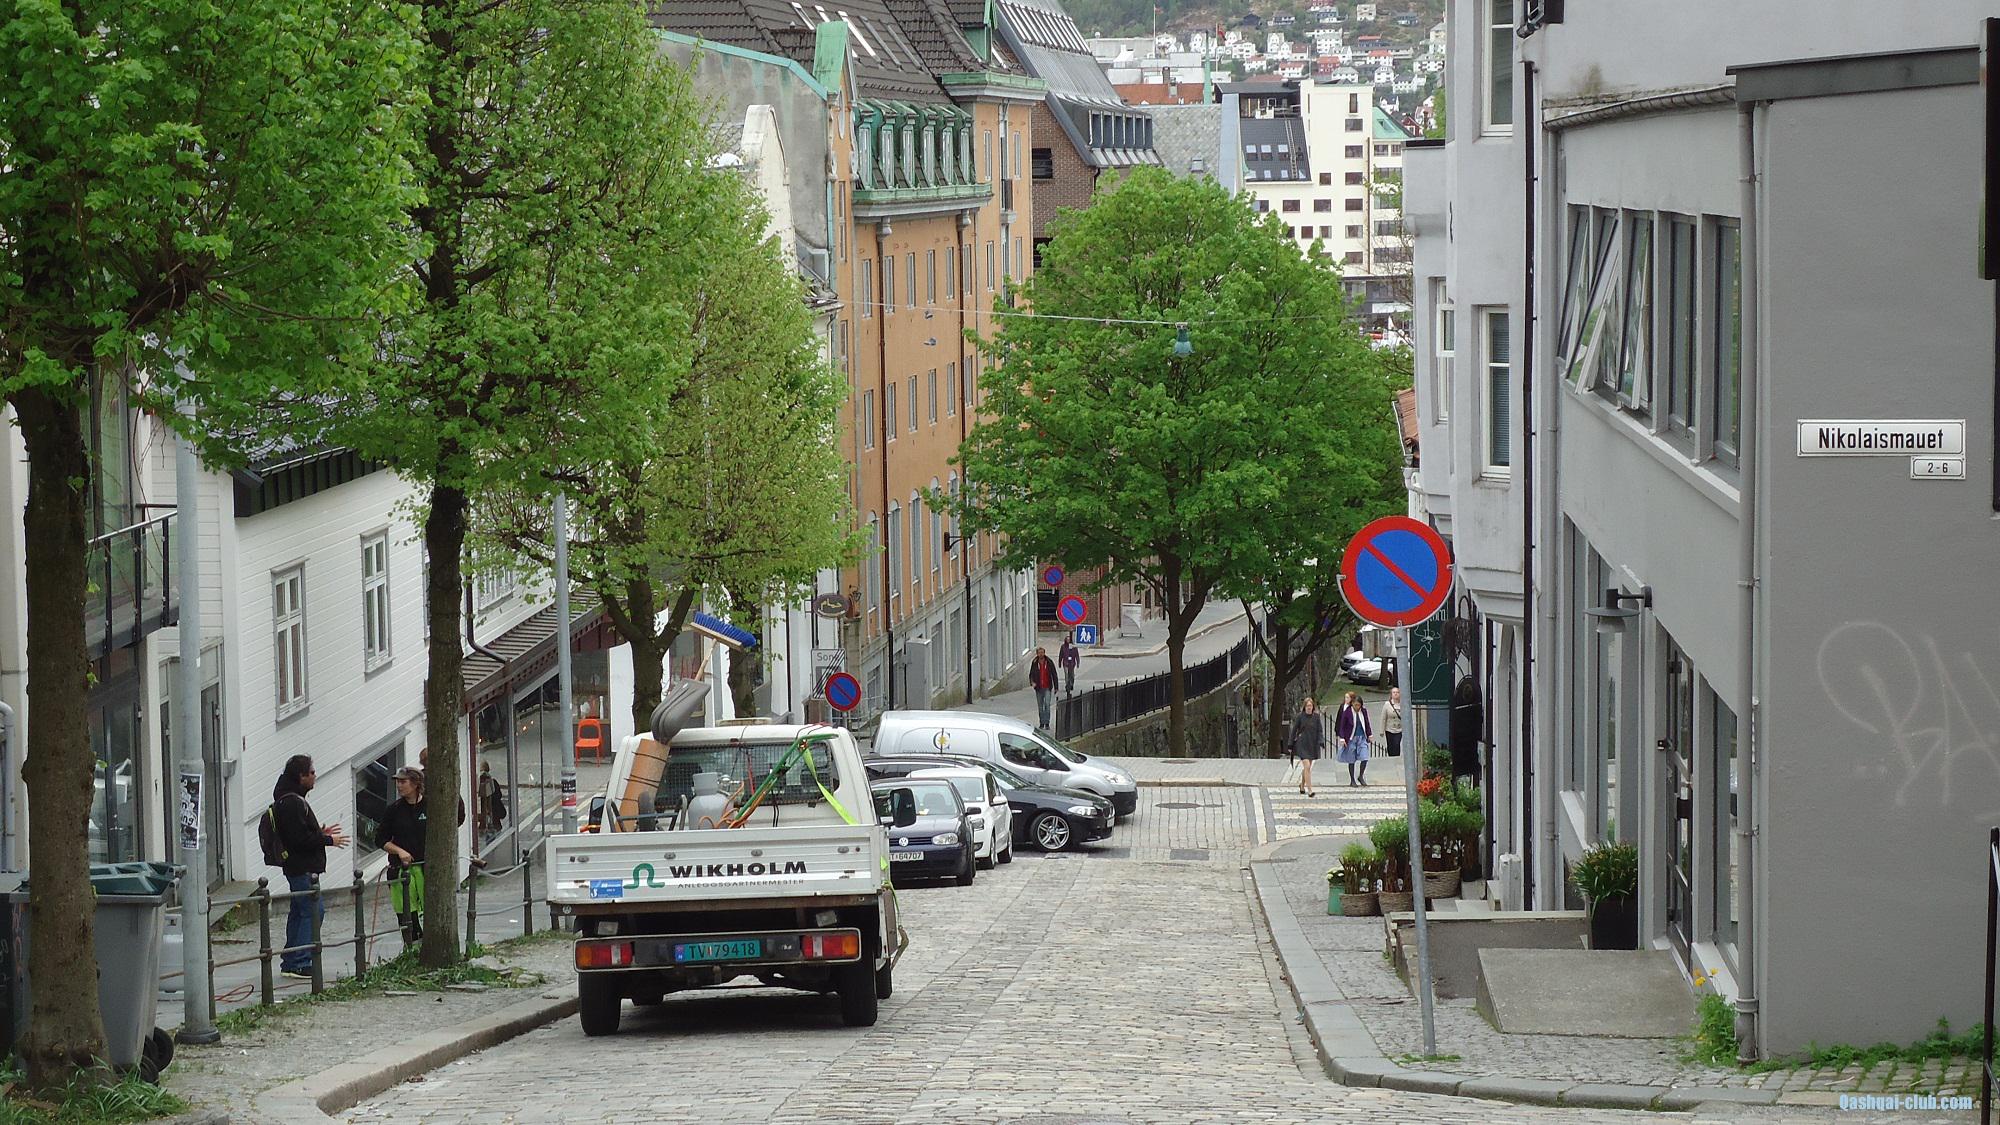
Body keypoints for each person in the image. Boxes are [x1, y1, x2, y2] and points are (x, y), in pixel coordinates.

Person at [271, 755, 348, 979]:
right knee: (313, 911)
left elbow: (298, 834)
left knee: (299, 911)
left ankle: (291, 960)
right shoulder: (293, 803)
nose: (315, 776)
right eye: (312, 772)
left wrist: (318, 833)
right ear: (301, 776)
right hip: (302, 866)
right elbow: (299, 840)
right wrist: (327, 840)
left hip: (297, 865)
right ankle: (301, 962)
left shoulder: (286, 799)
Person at [377, 766, 430, 946]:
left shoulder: (429, 806)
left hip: (425, 866)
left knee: (429, 909)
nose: (399, 786)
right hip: (400, 868)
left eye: (403, 782)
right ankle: (412, 947)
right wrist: (399, 851)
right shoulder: (394, 810)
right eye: (397, 782)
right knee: (406, 912)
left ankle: (429, 947)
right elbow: (380, 839)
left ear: (415, 784)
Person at [1335, 691, 1373, 787]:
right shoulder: (1347, 712)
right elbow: (1342, 726)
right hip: (1351, 738)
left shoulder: (1363, 711)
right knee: (1351, 759)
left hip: (1362, 737)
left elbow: (1367, 723)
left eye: (1358, 705)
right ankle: (1352, 780)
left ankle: (1361, 775)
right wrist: (1342, 737)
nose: (1357, 707)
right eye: (1355, 705)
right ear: (1352, 704)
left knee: (1365, 757)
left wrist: (1369, 734)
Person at [1289, 696, 1325, 797]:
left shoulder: (1316, 717)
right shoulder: (1300, 717)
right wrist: (1290, 744)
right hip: (1302, 744)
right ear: (1304, 707)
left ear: (1313, 707)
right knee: (1307, 766)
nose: (1309, 707)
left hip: (1312, 744)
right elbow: (1294, 730)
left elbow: (1320, 730)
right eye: (1307, 706)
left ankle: (1302, 785)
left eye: (1310, 706)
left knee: (1307, 768)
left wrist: (1321, 741)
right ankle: (1310, 790)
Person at [1029, 646, 1059, 729]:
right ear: (1037, 654)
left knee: (1047, 705)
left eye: (1042, 652)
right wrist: (1032, 682)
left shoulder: (1049, 662)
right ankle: (1042, 723)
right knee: (1040, 706)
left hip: (1047, 687)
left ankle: (1047, 723)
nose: (1041, 654)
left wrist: (1056, 687)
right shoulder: (1035, 662)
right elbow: (1031, 674)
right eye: (1039, 653)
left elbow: (1054, 674)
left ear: (1044, 653)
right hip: (1038, 688)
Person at [1382, 687, 1405, 758]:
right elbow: (1383, 718)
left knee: (1397, 744)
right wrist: (1382, 730)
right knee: (1390, 745)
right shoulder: (1387, 704)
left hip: (1399, 729)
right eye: (1394, 692)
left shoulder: (1403, 704)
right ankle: (1391, 757)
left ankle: (1396, 757)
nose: (1396, 694)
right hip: (1389, 729)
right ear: (1391, 694)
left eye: (1397, 692)